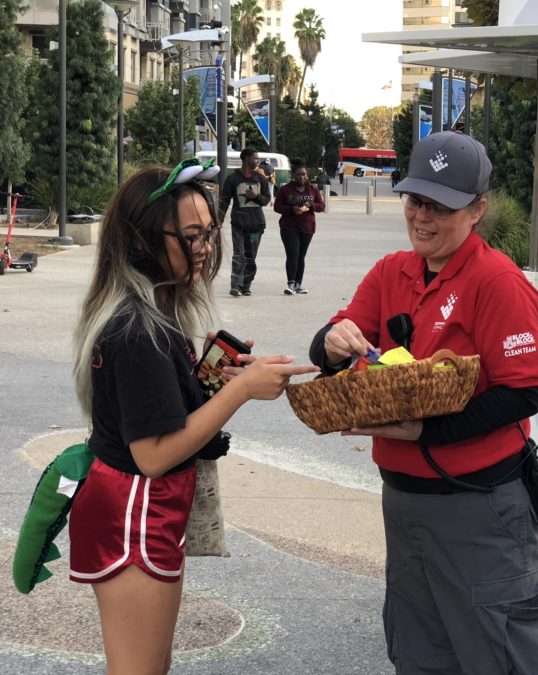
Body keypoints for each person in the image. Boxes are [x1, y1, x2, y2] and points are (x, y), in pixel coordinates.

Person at [308, 131, 538, 674]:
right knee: (421, 654)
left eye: (441, 205)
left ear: (477, 209)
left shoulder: (497, 282)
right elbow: (337, 337)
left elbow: (524, 392)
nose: (422, 217)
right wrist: (331, 343)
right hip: (404, 507)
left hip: (480, 507)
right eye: (415, 200)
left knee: (503, 654)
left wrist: (427, 431)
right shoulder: (390, 272)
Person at [68, 160, 318, 675]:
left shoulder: (153, 313)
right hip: (133, 516)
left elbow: (159, 412)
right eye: (191, 236)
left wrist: (206, 376)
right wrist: (242, 391)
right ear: (142, 240)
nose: (204, 247)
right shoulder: (139, 330)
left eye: (208, 233)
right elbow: (153, 454)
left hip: (144, 513)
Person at [218, 147, 270, 296]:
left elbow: (266, 199)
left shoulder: (260, 179)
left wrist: (256, 198)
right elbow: (224, 201)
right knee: (238, 255)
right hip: (238, 224)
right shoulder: (232, 179)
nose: (257, 161)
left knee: (250, 256)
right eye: (255, 158)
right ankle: (236, 285)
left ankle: (246, 285)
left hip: (256, 226)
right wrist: (218, 221)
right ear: (246, 158)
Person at [273, 160, 325, 295]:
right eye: (298, 175)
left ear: (307, 175)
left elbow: (321, 206)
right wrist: (291, 209)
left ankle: (298, 284)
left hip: (307, 227)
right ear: (293, 176)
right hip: (289, 227)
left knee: (301, 256)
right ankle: (290, 283)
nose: (301, 177)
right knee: (293, 254)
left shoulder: (313, 189)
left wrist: (311, 205)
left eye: (303, 175)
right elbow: (277, 207)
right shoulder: (285, 189)